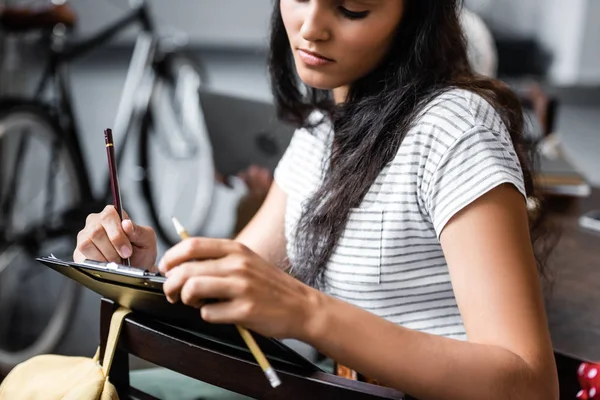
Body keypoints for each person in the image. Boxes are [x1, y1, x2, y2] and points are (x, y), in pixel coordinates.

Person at [74, 0, 559, 398]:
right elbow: (230, 289)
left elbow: (529, 385)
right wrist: (143, 272)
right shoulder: (323, 130)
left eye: (350, 8)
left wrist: (308, 313)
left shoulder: (456, 128)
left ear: (415, 16)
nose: (309, 28)